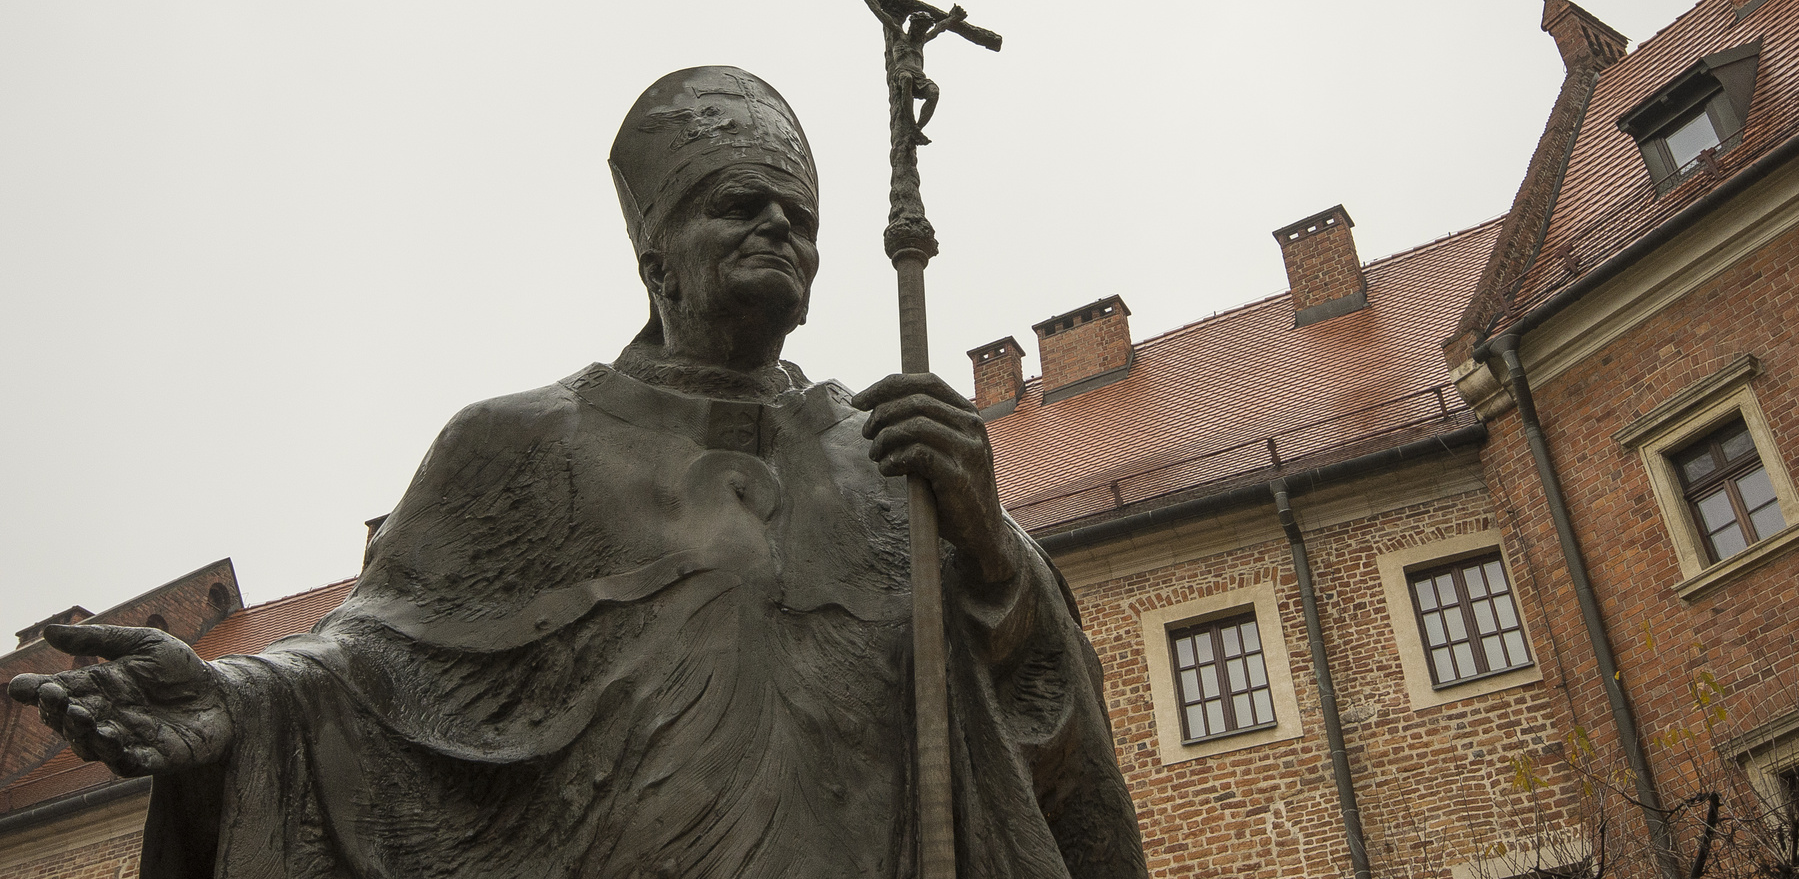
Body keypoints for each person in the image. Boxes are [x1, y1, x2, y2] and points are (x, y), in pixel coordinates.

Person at [9, 66, 1147, 879]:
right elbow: (372, 678)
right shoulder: (517, 447)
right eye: (736, 205)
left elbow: (1042, 732)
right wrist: (234, 702)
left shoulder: (888, 456)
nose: (778, 229)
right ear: (653, 252)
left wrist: (990, 546)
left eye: (798, 217)